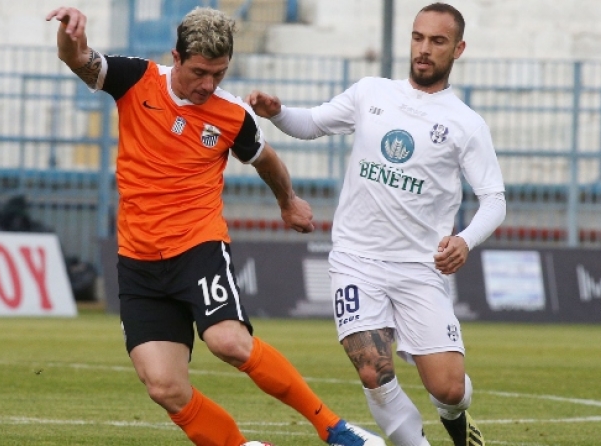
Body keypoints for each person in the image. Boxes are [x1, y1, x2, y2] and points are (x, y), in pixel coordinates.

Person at [46, 6, 386, 446]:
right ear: (176, 57)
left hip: (197, 247)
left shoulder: (233, 115)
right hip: (138, 260)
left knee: (228, 342)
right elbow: (77, 58)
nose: (208, 84)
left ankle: (334, 428)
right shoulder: (136, 79)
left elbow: (266, 159)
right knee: (164, 387)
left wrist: (288, 202)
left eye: (219, 73)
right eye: (200, 72)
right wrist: (70, 34)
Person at [247, 3, 506, 446]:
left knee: (448, 390)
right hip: (356, 260)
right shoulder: (371, 92)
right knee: (373, 370)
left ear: (458, 49)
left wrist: (464, 240)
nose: (424, 49)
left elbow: (494, 200)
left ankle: (458, 420)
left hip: (420, 267)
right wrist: (277, 111)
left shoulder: (466, 124)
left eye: (437, 41)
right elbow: (311, 124)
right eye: (418, 37)